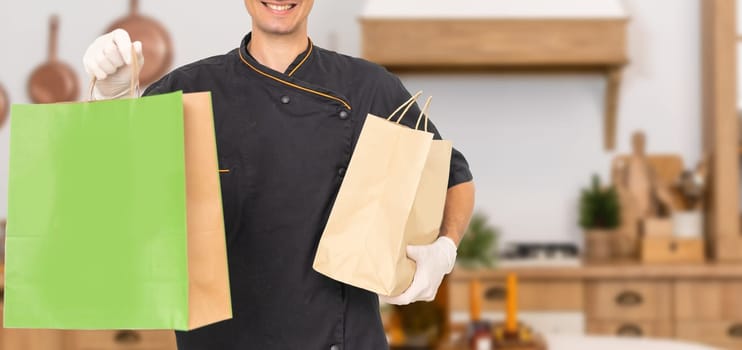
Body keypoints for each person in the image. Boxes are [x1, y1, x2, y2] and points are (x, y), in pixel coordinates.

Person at [82, 1, 475, 349]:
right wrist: (110, 101)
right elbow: (115, 189)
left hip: (342, 338)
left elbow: (453, 176)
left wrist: (445, 248)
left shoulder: (368, 86)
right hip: (219, 341)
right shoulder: (186, 89)